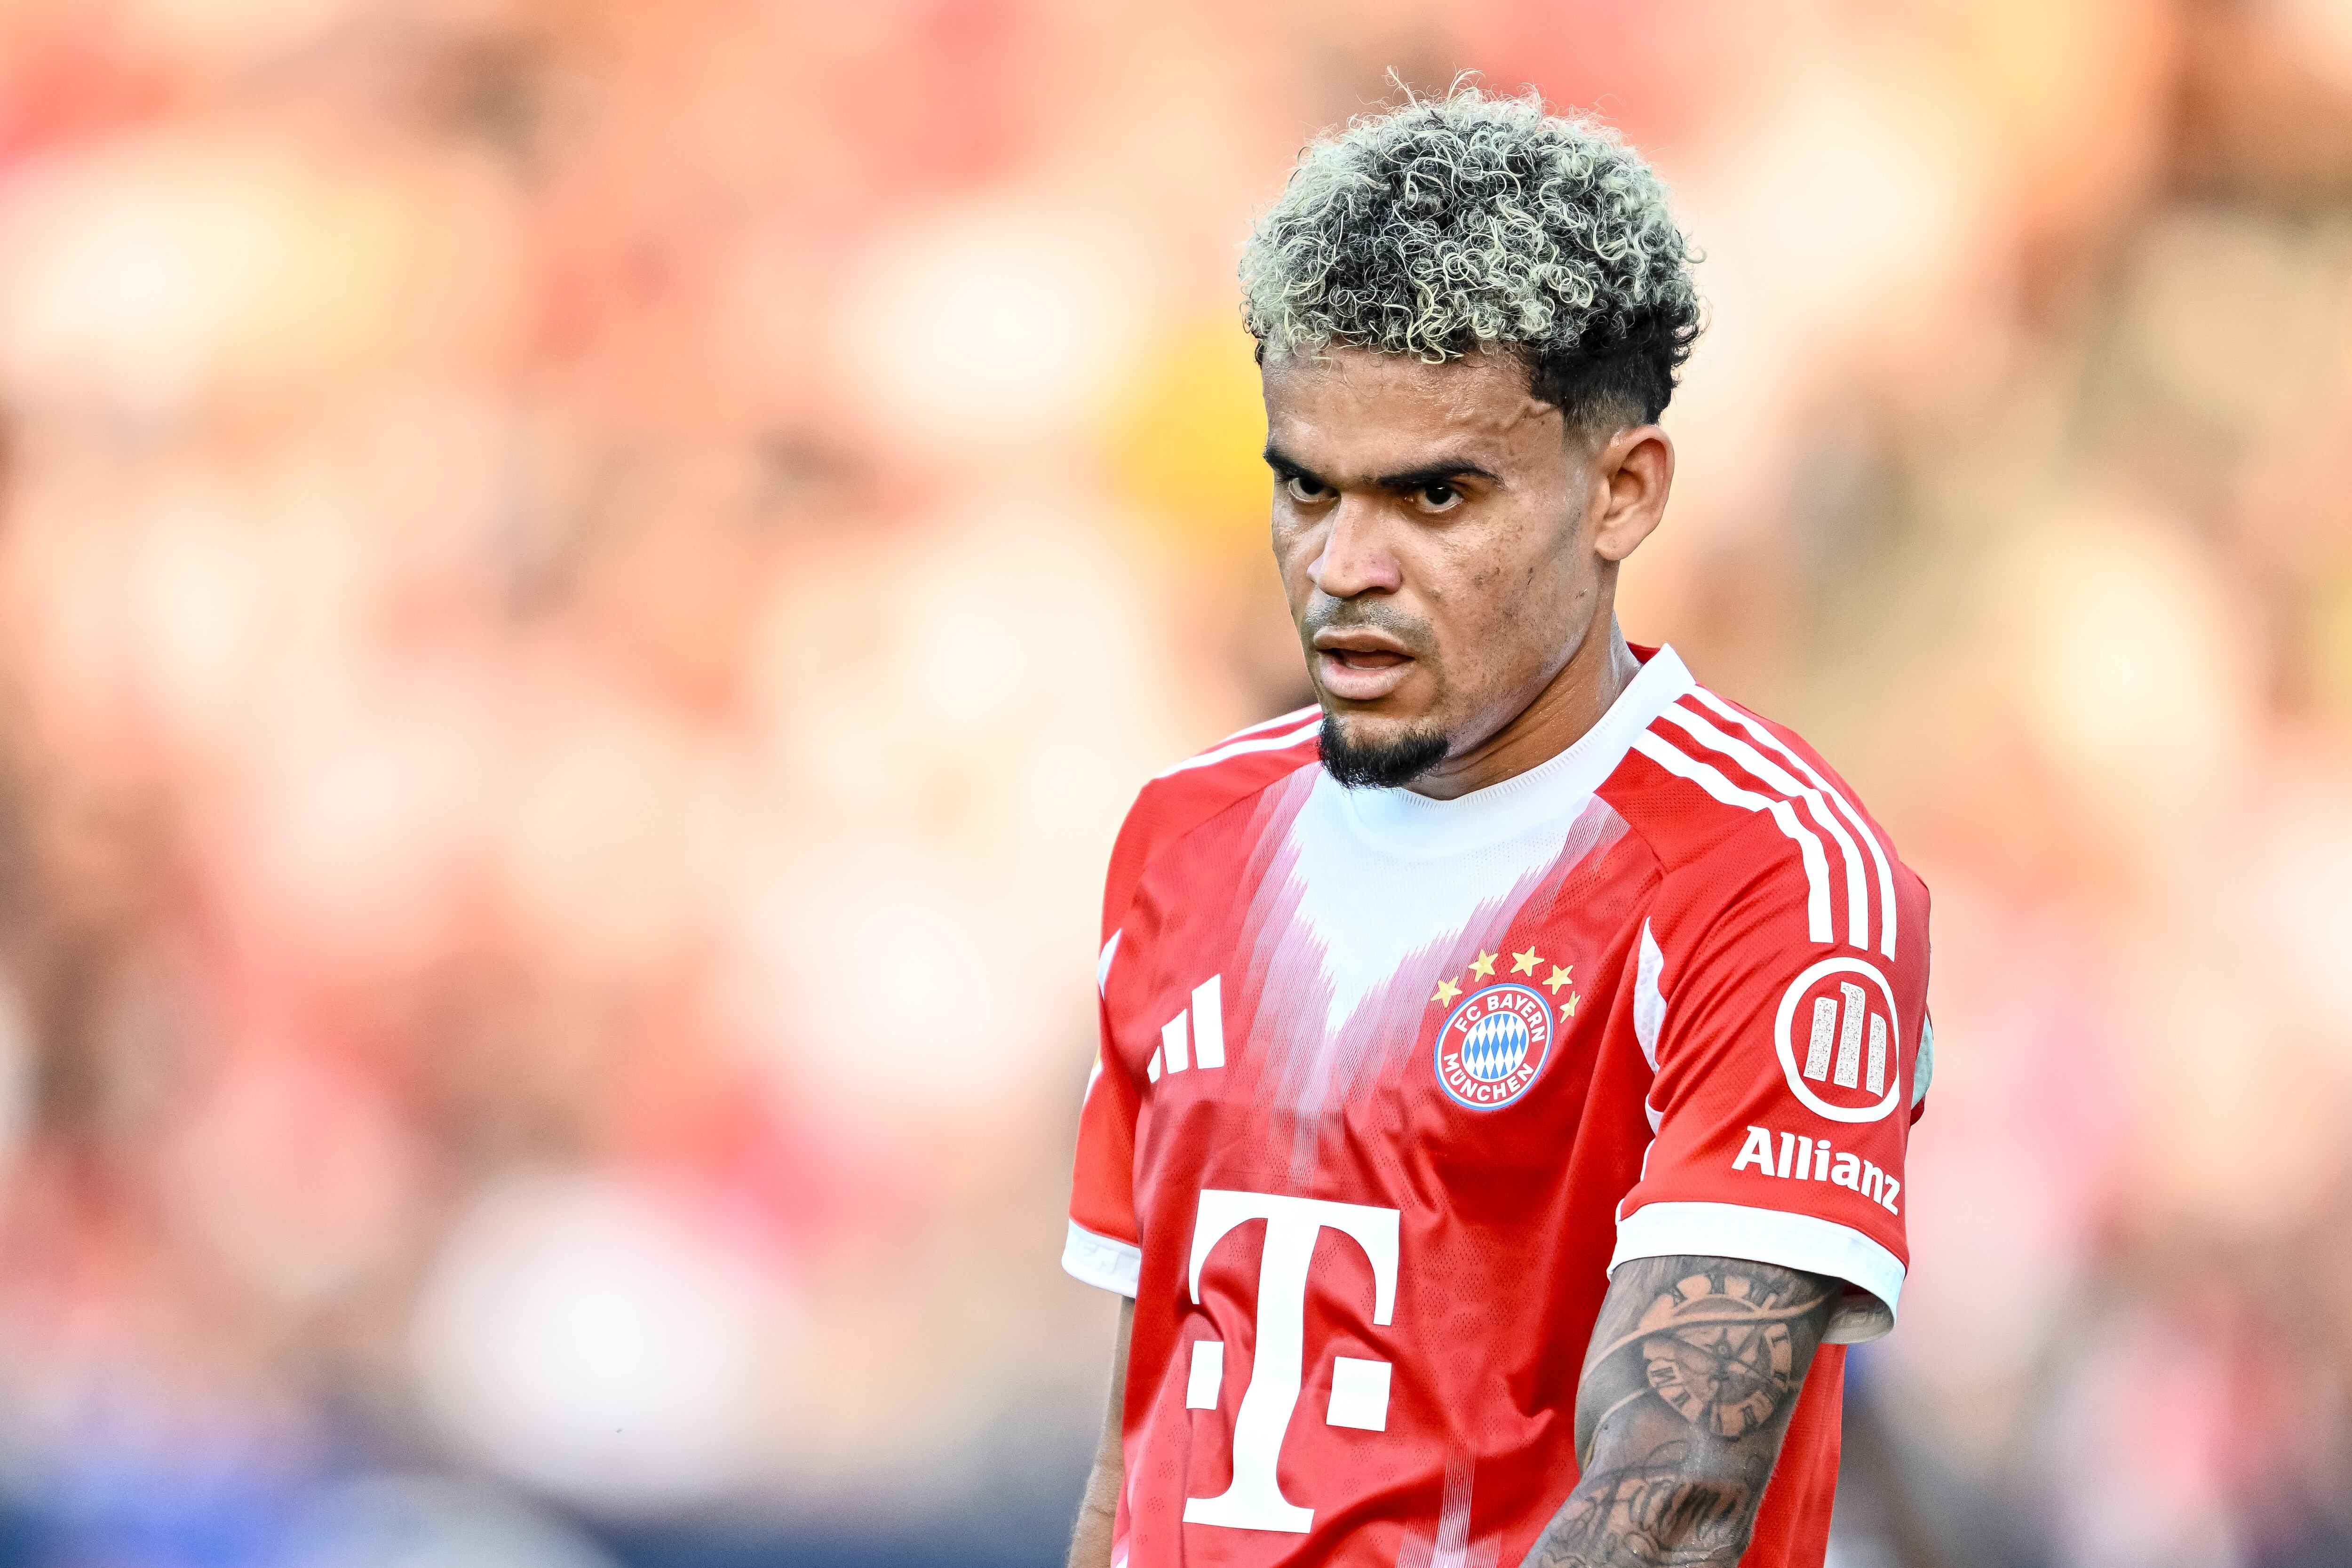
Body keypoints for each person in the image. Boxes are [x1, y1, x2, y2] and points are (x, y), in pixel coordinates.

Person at [1061, 87, 1931, 1568]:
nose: (1345, 566)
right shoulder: (1184, 835)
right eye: (1307, 488)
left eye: (1435, 496)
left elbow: (1670, 1506)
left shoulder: (1770, 879)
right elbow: (1144, 1455)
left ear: (1623, 493)